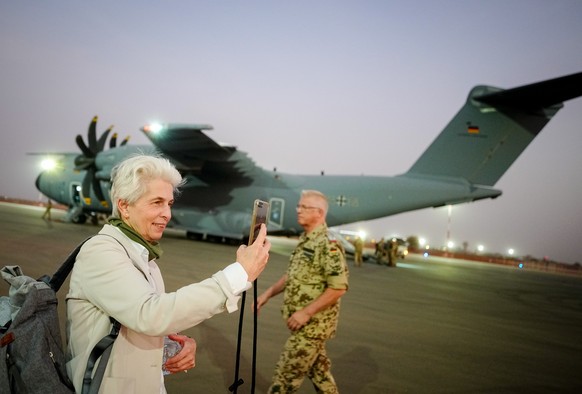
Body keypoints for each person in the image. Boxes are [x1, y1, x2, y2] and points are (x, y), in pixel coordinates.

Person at [65, 154, 271, 394]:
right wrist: (237, 275)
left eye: (169, 203)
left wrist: (169, 345)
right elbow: (149, 315)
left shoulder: (143, 255)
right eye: (156, 202)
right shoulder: (102, 251)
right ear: (124, 205)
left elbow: (133, 323)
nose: (167, 214)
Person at [256, 190, 349, 393]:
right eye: (299, 206)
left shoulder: (328, 244)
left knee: (284, 381)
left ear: (319, 212)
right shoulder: (306, 239)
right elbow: (294, 274)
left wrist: (305, 312)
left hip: (312, 327)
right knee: (321, 377)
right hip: (304, 325)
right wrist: (267, 294)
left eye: (304, 207)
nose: (298, 210)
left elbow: (338, 287)